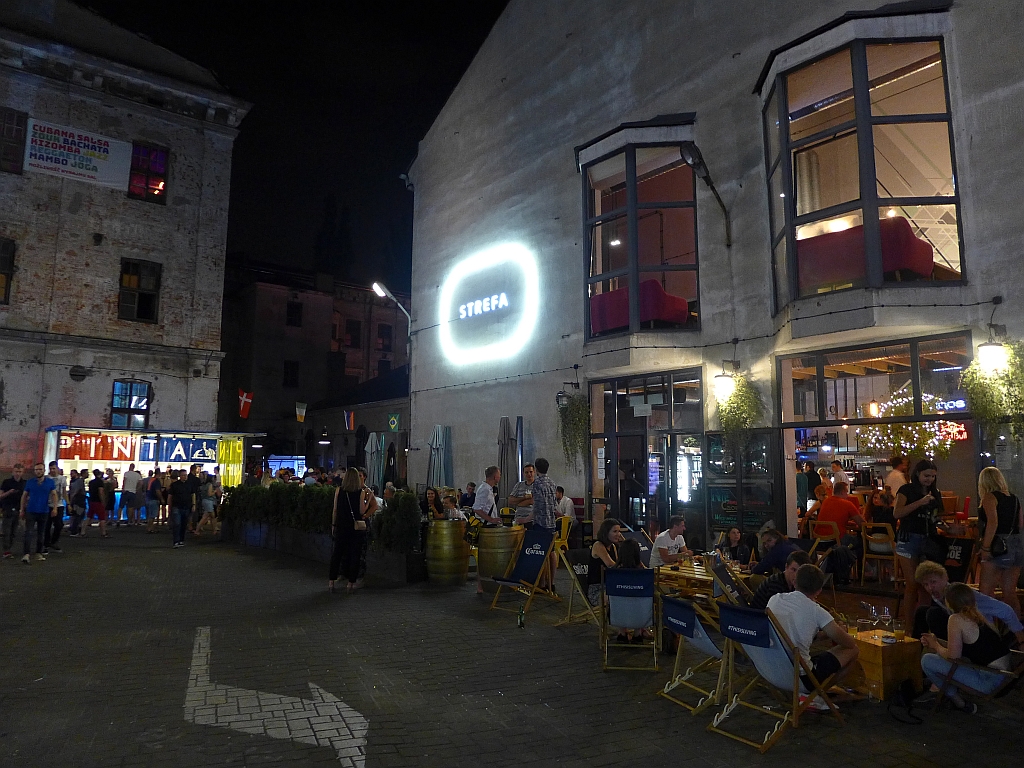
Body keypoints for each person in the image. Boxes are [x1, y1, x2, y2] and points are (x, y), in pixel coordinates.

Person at [767, 564, 859, 709]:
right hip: (801, 678)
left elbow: (793, 632)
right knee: (854, 650)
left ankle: (813, 694)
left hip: (771, 669)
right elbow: (849, 643)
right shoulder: (817, 611)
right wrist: (840, 630)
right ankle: (815, 694)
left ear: (794, 582)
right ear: (819, 590)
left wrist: (823, 634)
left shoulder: (775, 599)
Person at [920, 582, 1015, 713]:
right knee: (938, 657)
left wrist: (935, 645)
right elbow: (968, 648)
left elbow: (953, 657)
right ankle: (954, 700)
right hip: (1005, 679)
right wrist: (935, 641)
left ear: (949, 603)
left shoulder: (956, 619)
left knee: (927, 660)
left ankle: (959, 702)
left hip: (990, 681)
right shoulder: (979, 615)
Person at [913, 560, 1024, 643]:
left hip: (979, 635)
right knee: (922, 611)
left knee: (933, 614)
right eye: (926, 584)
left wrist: (1020, 636)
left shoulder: (961, 593)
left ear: (945, 578)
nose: (930, 588)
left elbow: (1005, 610)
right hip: (963, 631)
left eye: (933, 582)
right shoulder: (937, 596)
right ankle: (914, 650)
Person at [894, 459, 944, 627]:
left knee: (926, 585)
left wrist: (948, 528)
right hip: (908, 539)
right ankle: (909, 625)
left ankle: (922, 624)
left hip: (928, 539)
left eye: (933, 476)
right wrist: (920, 502)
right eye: (926, 475)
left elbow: (935, 518)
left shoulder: (935, 493)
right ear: (917, 474)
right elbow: (897, 513)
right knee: (912, 583)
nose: (929, 479)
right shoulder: (906, 490)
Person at [976, 466, 1023, 618]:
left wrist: (985, 547)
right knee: (1009, 592)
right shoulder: (1014, 498)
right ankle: (1016, 627)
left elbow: (993, 523)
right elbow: (1020, 524)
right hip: (1016, 545)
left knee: (986, 592)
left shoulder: (989, 497)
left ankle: (988, 626)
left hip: (997, 545)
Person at [328, 468, 370, 594]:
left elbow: (335, 509)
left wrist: (333, 524)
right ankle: (350, 583)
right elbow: (361, 511)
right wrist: (368, 500)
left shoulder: (339, 490)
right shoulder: (361, 492)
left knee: (337, 554)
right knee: (354, 555)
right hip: (355, 528)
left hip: (341, 526)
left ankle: (331, 581)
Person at [471, 465, 503, 594]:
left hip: (490, 526)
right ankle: (481, 585)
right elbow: (476, 508)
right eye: (499, 475)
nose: (500, 477)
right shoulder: (484, 489)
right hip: (486, 527)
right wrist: (491, 519)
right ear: (495, 476)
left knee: (488, 557)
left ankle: (485, 584)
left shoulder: (488, 489)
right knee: (484, 557)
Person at [20, 462, 57, 564]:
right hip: (31, 510)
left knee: (41, 533)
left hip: (44, 511)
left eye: (40, 469)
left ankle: (38, 553)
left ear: (44, 470)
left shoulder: (50, 482)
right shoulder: (30, 482)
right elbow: (24, 496)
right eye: (36, 470)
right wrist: (22, 509)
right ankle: (26, 554)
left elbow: (54, 495)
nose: (38, 471)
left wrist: (55, 508)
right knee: (28, 532)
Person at [587, 518, 624, 606]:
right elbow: (610, 564)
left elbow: (618, 565)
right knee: (619, 596)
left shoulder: (613, 546)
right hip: (598, 589)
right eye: (615, 531)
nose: (618, 534)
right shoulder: (598, 545)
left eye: (619, 531)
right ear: (606, 532)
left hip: (611, 584)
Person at [1, 463, 26, 558]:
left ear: (23, 472)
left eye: (20, 471)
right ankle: (6, 550)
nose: (18, 473)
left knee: (14, 531)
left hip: (19, 509)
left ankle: (9, 548)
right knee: (6, 531)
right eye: (16, 471)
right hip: (8, 508)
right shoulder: (6, 482)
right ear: (13, 472)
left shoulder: (25, 483)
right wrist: (9, 492)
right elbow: (1, 496)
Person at [43, 461, 67, 553]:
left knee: (59, 524)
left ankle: (53, 541)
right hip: (48, 504)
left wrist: (68, 503)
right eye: (51, 469)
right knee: (47, 525)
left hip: (59, 504)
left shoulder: (62, 479)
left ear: (57, 468)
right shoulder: (46, 478)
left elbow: (64, 492)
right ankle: (46, 544)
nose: (52, 470)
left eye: (54, 468)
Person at [168, 470, 195, 548]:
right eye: (183, 475)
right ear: (179, 476)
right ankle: (176, 541)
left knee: (184, 524)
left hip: (186, 506)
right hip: (176, 506)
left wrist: (193, 504)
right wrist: (170, 506)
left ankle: (181, 540)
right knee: (177, 523)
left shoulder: (189, 484)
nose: (185, 477)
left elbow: (193, 494)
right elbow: (170, 496)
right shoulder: (174, 485)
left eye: (185, 475)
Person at [85, 469, 108, 538]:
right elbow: (101, 492)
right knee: (102, 518)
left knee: (89, 517)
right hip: (98, 501)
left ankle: (82, 531)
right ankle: (103, 533)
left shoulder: (91, 482)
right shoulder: (100, 482)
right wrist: (103, 501)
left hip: (92, 500)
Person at [67, 469, 87, 537]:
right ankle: (75, 531)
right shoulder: (79, 481)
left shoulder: (73, 481)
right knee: (78, 515)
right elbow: (75, 491)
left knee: (76, 515)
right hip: (78, 501)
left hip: (75, 500)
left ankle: (74, 529)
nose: (71, 475)